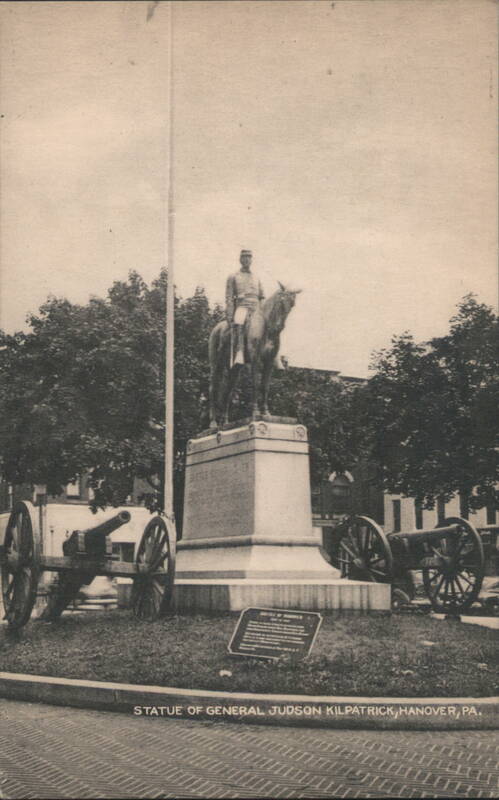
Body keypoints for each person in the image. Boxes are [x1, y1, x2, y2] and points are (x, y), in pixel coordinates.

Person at [225, 249, 264, 365]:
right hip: (242, 306)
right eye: (244, 257)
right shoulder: (233, 276)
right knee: (239, 322)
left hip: (256, 308)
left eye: (249, 257)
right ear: (240, 259)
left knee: (270, 324)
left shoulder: (256, 277)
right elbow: (229, 297)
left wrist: (261, 310)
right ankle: (239, 353)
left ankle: (274, 355)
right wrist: (230, 313)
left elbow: (262, 296)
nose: (247, 260)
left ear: (251, 260)